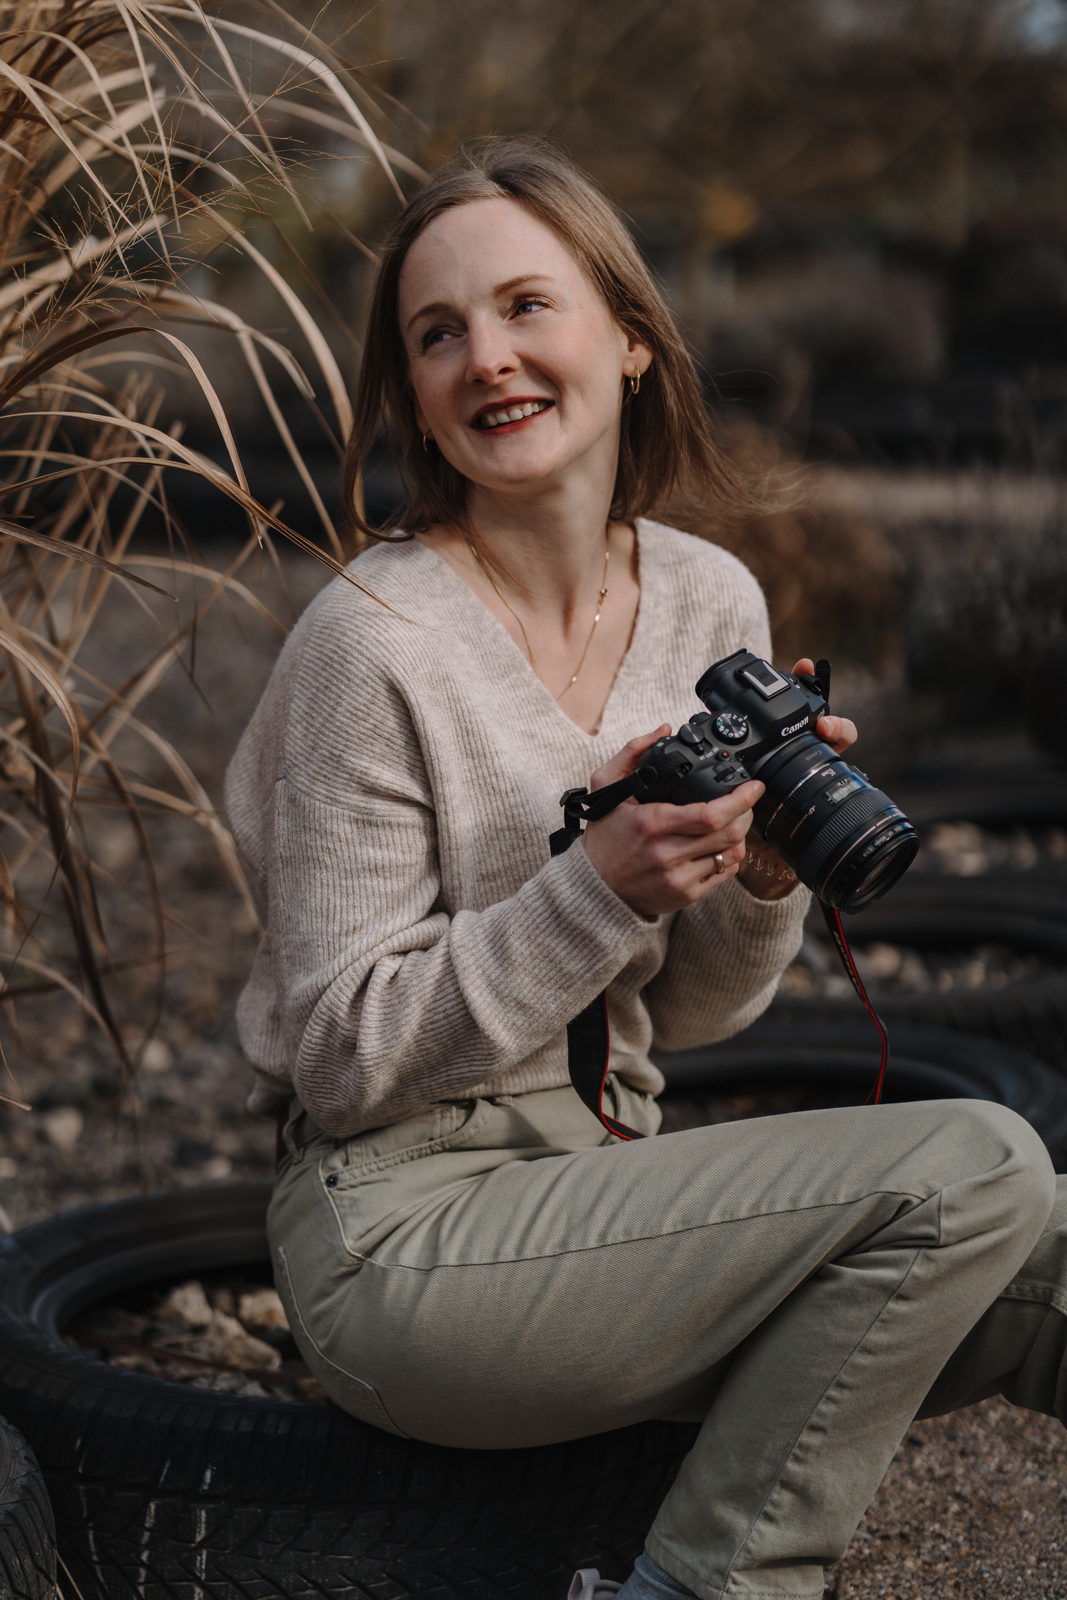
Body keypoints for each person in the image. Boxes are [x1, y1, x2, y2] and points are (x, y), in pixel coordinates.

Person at [225, 138, 1067, 1600]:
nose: (485, 357)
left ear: (626, 337)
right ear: (415, 391)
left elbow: (692, 1020)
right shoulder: (373, 641)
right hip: (406, 1237)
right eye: (438, 333)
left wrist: (754, 876)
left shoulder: (704, 594)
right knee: (975, 1159)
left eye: (523, 307)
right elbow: (342, 1059)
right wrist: (591, 885)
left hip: (614, 1186)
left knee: (1046, 1251)